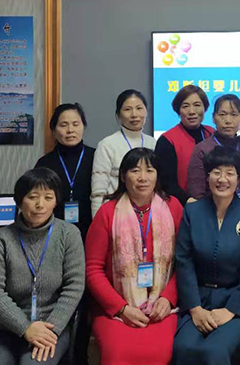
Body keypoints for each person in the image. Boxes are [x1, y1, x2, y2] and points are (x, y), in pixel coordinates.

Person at [0, 168, 85, 365]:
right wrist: (25, 327)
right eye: (32, 197)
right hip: (4, 328)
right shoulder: (1, 239)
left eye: (48, 198)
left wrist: (51, 329)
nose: (40, 205)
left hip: (51, 327)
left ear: (55, 202)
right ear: (19, 201)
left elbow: (74, 286)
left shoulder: (69, 234)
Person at [85, 148, 183, 365]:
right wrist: (121, 308)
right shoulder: (107, 212)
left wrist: (168, 298)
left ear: (157, 175)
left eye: (149, 170)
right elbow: (92, 269)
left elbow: (185, 262)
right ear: (123, 176)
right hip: (116, 308)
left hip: (161, 307)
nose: (142, 177)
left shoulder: (173, 208)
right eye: (135, 170)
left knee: (162, 353)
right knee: (118, 354)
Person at [173, 147, 240, 365]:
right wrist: (195, 308)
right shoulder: (192, 212)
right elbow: (184, 262)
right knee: (183, 347)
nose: (222, 179)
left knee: (215, 351)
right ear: (207, 177)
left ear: (238, 179)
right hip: (198, 300)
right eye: (216, 172)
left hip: (237, 302)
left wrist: (231, 310)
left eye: (229, 173)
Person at [91, 89, 157, 217]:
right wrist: (98, 220)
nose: (134, 114)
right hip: (117, 214)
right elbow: (98, 193)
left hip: (148, 213)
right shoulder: (107, 145)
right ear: (118, 115)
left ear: (146, 111)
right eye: (127, 109)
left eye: (139, 108)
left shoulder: (153, 143)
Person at [34, 103, 95, 239]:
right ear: (54, 130)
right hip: (53, 232)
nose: (70, 130)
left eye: (75, 124)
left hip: (92, 229)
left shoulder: (97, 157)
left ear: (83, 127)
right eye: (63, 125)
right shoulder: (44, 163)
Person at [155, 84, 214, 205]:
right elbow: (166, 183)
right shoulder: (167, 140)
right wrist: (189, 201)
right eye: (185, 106)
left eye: (197, 105)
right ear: (178, 110)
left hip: (215, 205)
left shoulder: (212, 133)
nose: (192, 111)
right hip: (182, 206)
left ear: (205, 108)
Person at [187, 94, 240, 200]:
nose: (228, 120)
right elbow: (197, 193)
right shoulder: (202, 149)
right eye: (222, 114)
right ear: (213, 118)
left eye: (234, 114)